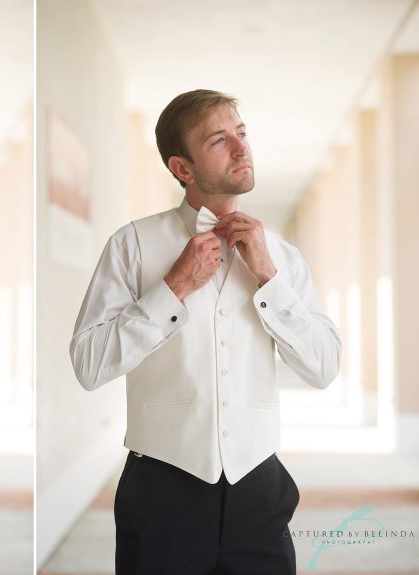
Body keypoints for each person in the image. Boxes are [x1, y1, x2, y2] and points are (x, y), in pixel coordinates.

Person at [69, 89, 341, 574]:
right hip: (162, 491)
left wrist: (269, 279)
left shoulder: (282, 256)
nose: (241, 148)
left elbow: (324, 367)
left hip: (259, 489)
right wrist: (174, 287)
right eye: (219, 140)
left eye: (242, 133)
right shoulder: (132, 245)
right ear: (182, 168)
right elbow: (88, 365)